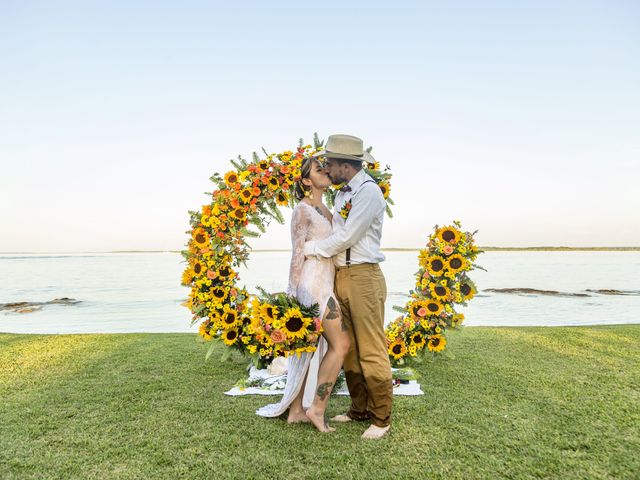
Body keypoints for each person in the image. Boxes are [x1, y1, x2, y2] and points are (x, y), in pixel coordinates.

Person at [304, 134, 392, 440]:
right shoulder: (342, 194)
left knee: (371, 348)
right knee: (350, 349)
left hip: (363, 277)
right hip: (341, 276)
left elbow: (346, 238)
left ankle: (381, 418)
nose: (327, 167)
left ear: (345, 165)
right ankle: (359, 409)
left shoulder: (369, 193)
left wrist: (311, 249)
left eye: (330, 162)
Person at [256, 156, 350, 432]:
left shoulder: (326, 209)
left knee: (312, 349)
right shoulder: (302, 209)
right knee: (336, 345)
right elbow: (297, 252)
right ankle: (314, 411)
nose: (325, 172)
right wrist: (291, 293)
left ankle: (298, 410)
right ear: (307, 180)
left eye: (325, 168)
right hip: (311, 285)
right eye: (318, 170)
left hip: (327, 282)